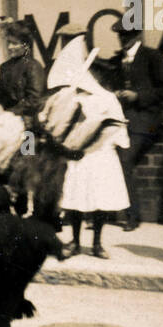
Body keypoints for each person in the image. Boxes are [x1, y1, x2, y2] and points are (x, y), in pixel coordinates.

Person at [50, 36, 131, 259]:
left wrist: (104, 142)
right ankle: (75, 241)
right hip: (78, 156)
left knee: (100, 201)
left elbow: (116, 127)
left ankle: (97, 243)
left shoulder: (108, 99)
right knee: (76, 200)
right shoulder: (74, 97)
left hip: (101, 155)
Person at [107, 17, 163, 231]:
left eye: (128, 35)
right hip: (122, 121)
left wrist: (138, 96)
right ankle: (105, 212)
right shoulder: (116, 61)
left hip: (147, 120)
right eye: (120, 36)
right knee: (104, 156)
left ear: (137, 35)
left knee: (124, 159)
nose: (123, 39)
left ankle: (132, 216)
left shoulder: (153, 56)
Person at [0, 20, 46, 126]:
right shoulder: (4, 67)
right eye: (8, 42)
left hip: (28, 120)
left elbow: (34, 101)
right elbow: (2, 99)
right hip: (6, 119)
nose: (9, 47)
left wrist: (9, 113)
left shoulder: (33, 66)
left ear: (26, 45)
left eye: (14, 43)